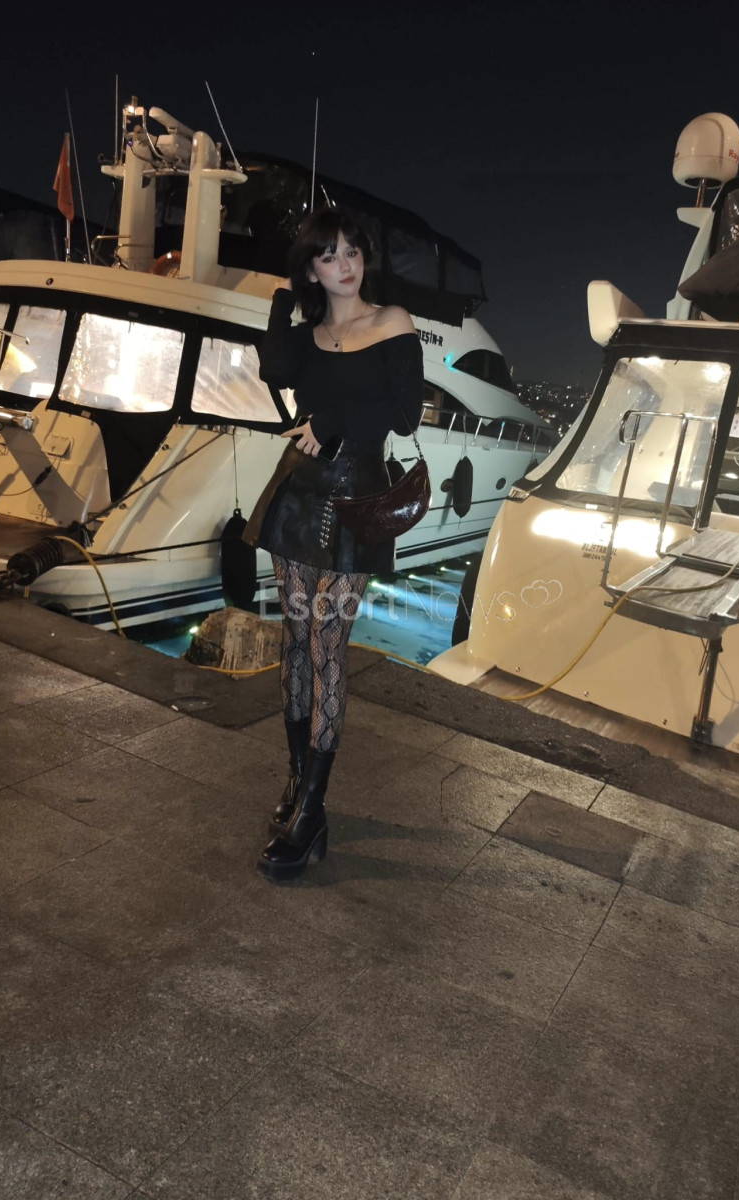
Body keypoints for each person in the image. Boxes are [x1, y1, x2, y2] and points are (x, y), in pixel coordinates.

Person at [252, 205, 424, 879]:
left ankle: (313, 810)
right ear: (312, 270)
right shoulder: (307, 336)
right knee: (295, 640)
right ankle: (298, 784)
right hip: (298, 495)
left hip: (356, 500)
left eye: (352, 251)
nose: (345, 264)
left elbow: (405, 412)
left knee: (327, 644)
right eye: (328, 255)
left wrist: (333, 419)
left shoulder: (393, 322)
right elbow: (272, 370)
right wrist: (281, 301)